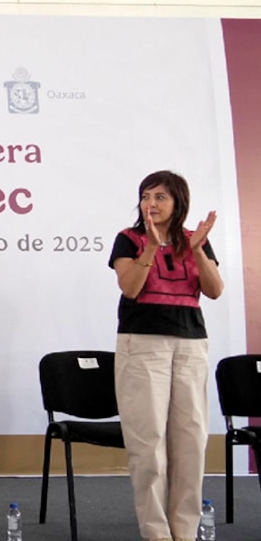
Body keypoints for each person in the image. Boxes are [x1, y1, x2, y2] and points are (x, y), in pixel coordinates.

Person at [109, 170, 223, 541]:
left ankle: (185, 532)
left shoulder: (196, 240)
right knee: (149, 445)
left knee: (190, 442)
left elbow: (215, 290)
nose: (151, 204)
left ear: (178, 203)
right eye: (146, 197)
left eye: (160, 197)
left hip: (190, 345)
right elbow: (130, 288)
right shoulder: (129, 239)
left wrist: (198, 253)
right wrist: (151, 249)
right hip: (142, 346)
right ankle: (157, 533)